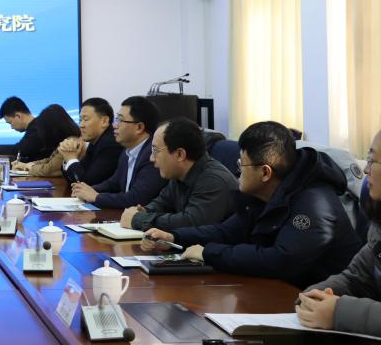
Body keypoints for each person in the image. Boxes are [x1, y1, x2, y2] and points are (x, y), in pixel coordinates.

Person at [141, 121, 362, 288]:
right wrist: (174, 238)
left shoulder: (315, 201)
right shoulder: (263, 193)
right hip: (280, 292)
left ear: (265, 172)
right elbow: (226, 232)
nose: (237, 172)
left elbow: (282, 260)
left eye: (242, 165)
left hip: (318, 300)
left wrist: (209, 253)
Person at [297, 115, 381, 345]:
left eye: (371, 160)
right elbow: (359, 277)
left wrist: (341, 313)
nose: (366, 169)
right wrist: (315, 296)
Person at [123, 117, 238, 231]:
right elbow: (161, 203)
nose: (151, 158)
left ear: (180, 154)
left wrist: (139, 219)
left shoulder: (213, 181)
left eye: (155, 151)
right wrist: (144, 211)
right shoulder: (179, 174)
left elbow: (190, 223)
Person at [72, 96, 165, 208]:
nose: (115, 125)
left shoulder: (152, 155)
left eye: (120, 120)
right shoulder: (127, 151)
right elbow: (114, 183)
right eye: (116, 119)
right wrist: (87, 190)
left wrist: (96, 197)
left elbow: (137, 199)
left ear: (139, 127)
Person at [56, 97, 123, 188]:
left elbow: (86, 184)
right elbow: (74, 179)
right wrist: (68, 157)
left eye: (86, 119)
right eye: (80, 120)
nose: (81, 125)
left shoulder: (111, 145)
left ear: (104, 121)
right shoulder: (95, 141)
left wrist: (71, 158)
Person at [11, 104, 81, 177]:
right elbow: (49, 160)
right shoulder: (66, 140)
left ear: (52, 129)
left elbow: (50, 170)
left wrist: (31, 167)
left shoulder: (70, 143)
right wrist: (25, 165)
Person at [0, 96, 54, 162]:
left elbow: (18, 150)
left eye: (10, 123)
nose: (11, 127)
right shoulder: (35, 127)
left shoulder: (37, 129)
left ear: (18, 116)